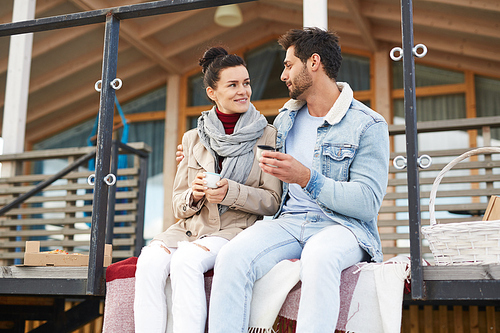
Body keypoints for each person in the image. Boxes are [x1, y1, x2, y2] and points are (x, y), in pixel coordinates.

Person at [206, 28, 390, 332]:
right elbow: (243, 138)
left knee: (318, 257)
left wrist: (306, 178)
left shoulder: (367, 124)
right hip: (289, 222)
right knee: (232, 256)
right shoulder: (285, 118)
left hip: (342, 227)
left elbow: (367, 203)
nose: (282, 75)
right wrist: (197, 149)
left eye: (288, 65)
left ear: (313, 62)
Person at [134, 46, 281, 333]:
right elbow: (177, 204)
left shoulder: (268, 135)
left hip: (233, 231)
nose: (244, 91)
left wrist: (231, 192)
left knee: (186, 261)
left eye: (247, 83)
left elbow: (273, 201)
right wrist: (195, 193)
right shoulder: (192, 138)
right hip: (189, 228)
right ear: (212, 93)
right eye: (233, 85)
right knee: (149, 261)